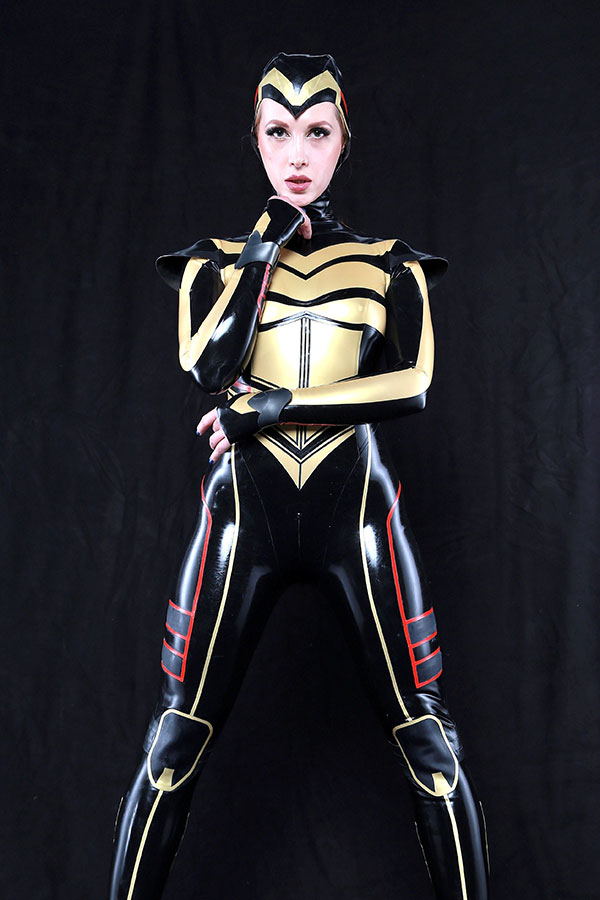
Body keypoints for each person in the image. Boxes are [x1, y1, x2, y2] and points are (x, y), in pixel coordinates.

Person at [109, 52, 489, 900]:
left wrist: (274, 407)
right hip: (244, 517)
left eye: (317, 132)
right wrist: (265, 243)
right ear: (255, 140)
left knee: (428, 746)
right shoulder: (213, 263)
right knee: (174, 743)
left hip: (357, 516)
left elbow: (413, 384)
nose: (297, 154)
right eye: (278, 132)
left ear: (344, 140)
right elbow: (210, 367)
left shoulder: (390, 263)